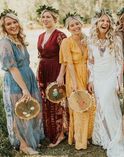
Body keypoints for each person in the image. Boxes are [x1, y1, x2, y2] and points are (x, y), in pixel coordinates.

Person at [0, 9, 44, 155]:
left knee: (29, 109)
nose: (13, 25)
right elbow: (12, 68)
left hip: (27, 77)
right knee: (18, 111)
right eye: (8, 24)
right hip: (16, 81)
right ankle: (23, 145)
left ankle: (31, 140)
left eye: (14, 22)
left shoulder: (18, 39)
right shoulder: (5, 43)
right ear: (3, 27)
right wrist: (24, 89)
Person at [87, 8, 123, 156]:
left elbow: (120, 61)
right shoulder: (91, 40)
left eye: (108, 21)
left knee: (108, 103)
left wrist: (118, 81)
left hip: (110, 76)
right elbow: (90, 62)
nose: (105, 23)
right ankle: (102, 136)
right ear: (96, 23)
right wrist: (91, 80)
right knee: (101, 106)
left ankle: (114, 136)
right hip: (97, 78)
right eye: (102, 20)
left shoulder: (115, 39)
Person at [59, 12, 95, 150]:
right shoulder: (66, 42)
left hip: (87, 74)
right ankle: (79, 140)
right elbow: (69, 63)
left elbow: (91, 60)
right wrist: (74, 82)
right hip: (73, 75)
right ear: (68, 28)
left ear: (81, 24)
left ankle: (87, 135)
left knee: (90, 104)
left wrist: (91, 78)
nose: (75, 27)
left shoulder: (86, 39)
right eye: (72, 25)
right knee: (80, 106)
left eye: (77, 24)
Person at [36, 5, 67, 147]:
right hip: (43, 70)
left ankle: (61, 133)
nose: (45, 19)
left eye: (48, 16)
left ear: (54, 19)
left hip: (56, 69)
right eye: (43, 17)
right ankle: (50, 132)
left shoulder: (60, 35)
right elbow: (40, 55)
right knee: (47, 101)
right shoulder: (41, 36)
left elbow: (65, 58)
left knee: (57, 100)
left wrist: (61, 75)